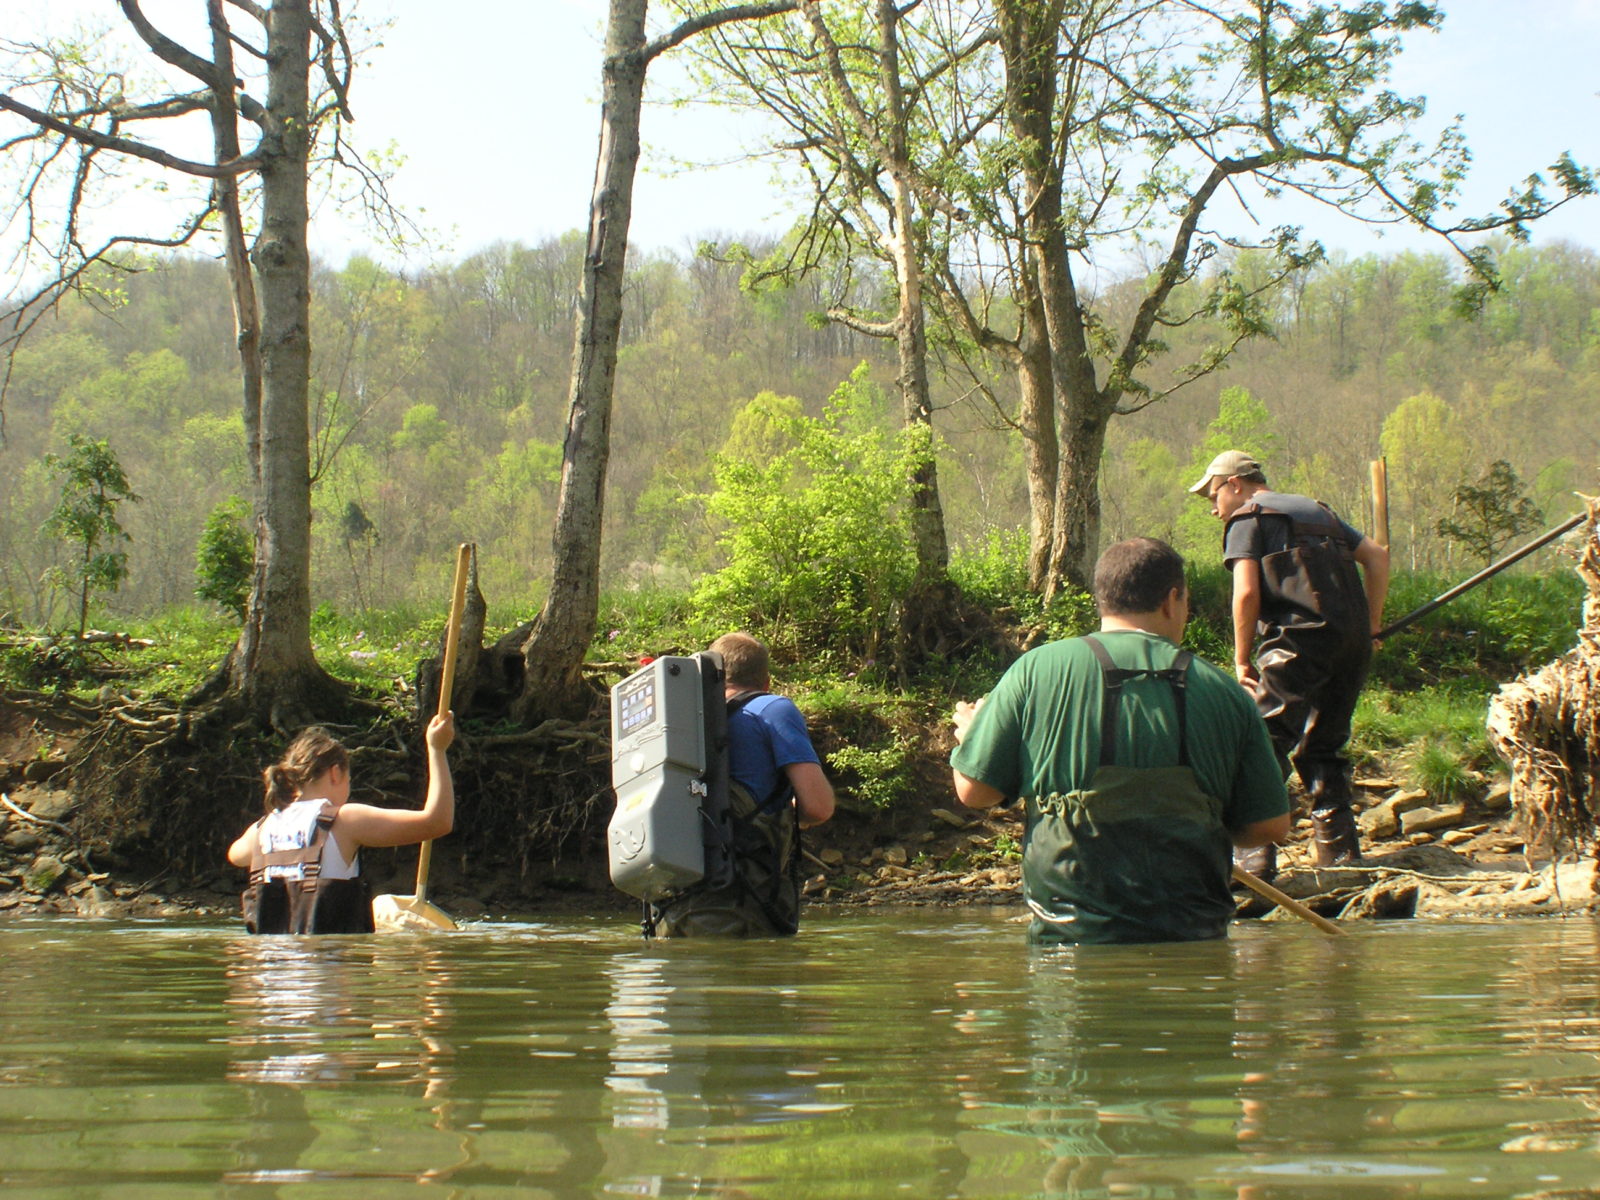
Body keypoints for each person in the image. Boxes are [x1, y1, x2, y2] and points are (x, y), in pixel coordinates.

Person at [950, 537, 1289, 945]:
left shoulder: (1034, 670)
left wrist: (971, 738)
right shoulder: (1228, 693)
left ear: (1103, 600)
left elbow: (975, 792)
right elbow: (1268, 825)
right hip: (1193, 941)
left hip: (1068, 945)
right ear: (1172, 599)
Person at [1188, 450, 1390, 871]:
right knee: (1325, 746)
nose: (1213, 509)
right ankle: (1341, 857)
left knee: (1261, 743)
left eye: (1213, 496)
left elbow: (1245, 593)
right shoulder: (1319, 512)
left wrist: (1241, 660)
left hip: (1297, 644)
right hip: (1351, 645)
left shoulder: (1247, 517)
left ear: (1234, 485)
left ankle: (1251, 859)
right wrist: (1370, 626)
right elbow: (1377, 557)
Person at [652, 631, 836, 937]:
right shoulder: (772, 709)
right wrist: (793, 813)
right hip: (740, 908)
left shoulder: (679, 718)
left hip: (669, 910)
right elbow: (818, 808)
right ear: (765, 682)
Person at [228, 712, 456, 934]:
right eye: (348, 780)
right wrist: (437, 750)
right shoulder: (344, 820)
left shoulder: (260, 830)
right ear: (335, 773)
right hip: (326, 970)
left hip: (266, 970)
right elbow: (437, 822)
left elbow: (235, 856)